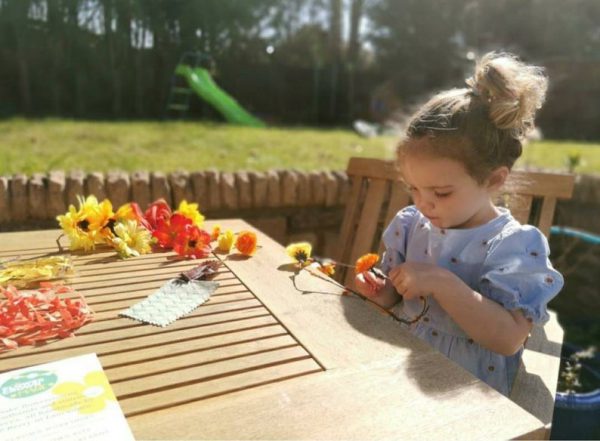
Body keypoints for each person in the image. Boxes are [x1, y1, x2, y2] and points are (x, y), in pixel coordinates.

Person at [354, 52, 563, 396]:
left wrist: (441, 282)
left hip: (468, 394)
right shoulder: (410, 225)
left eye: (441, 192)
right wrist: (378, 290)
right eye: (414, 189)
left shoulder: (513, 246)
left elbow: (509, 339)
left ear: (494, 180)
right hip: (401, 376)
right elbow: (391, 300)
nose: (422, 203)